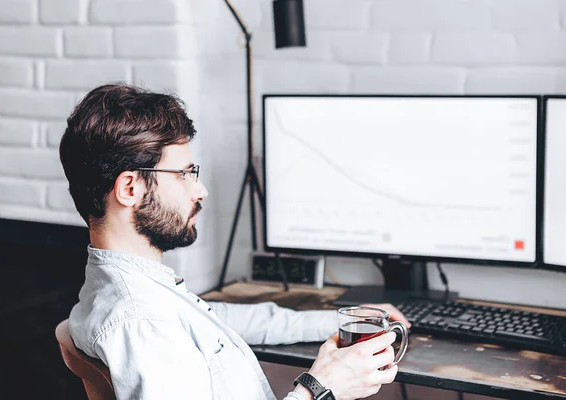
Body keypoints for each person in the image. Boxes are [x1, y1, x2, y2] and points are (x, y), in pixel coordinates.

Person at [60, 83, 410, 400]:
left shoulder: (128, 288)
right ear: (130, 189)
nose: (200, 190)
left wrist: (335, 321)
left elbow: (219, 319)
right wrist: (320, 388)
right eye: (184, 175)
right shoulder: (143, 322)